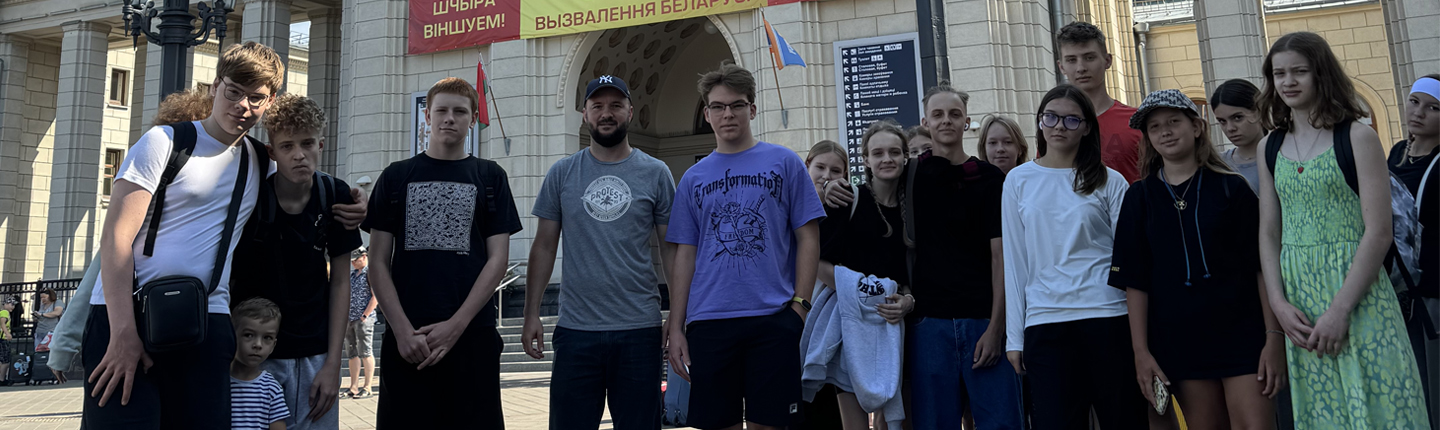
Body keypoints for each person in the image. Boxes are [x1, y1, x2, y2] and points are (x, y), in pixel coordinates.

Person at [83, 42, 282, 429]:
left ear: (270, 101)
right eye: (233, 92)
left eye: (256, 98)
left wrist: (353, 200)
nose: (242, 105)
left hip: (207, 321)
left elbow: (304, 189)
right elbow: (116, 239)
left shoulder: (261, 161)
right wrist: (122, 333)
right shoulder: (164, 141)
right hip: (128, 316)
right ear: (215, 86)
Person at [1256, 31, 1430, 429]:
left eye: (1300, 71)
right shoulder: (1270, 146)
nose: (1288, 82)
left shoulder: (1357, 136)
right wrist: (1279, 304)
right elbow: (1269, 233)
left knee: (1384, 410)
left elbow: (1379, 231)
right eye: (1279, 74)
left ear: (1321, 74)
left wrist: (1340, 310)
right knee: (1325, 414)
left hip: (1358, 294)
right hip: (1300, 301)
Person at [664, 62, 826, 430]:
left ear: (752, 109)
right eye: (718, 106)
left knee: (770, 424)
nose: (728, 114)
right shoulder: (692, 178)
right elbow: (685, 255)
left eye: (736, 105)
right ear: (707, 114)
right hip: (709, 322)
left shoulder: (785, 163)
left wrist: (800, 307)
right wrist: (676, 326)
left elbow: (808, 237)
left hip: (773, 318)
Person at [1111, 89, 1286, 430]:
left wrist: (1273, 337)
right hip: (1179, 340)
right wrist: (1141, 352)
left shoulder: (1232, 188)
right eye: (1155, 127)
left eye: (1174, 122)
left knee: (1255, 425)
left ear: (1196, 127)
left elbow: (1262, 268)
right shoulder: (1139, 197)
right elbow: (1135, 282)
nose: (1165, 132)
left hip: (1243, 334)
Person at [362, 77, 523, 429]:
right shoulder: (395, 177)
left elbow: (498, 260)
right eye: (442, 111)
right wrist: (401, 330)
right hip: (408, 339)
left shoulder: (491, 177)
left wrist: (456, 326)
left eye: (460, 112)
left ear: (473, 119)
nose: (450, 118)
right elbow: (377, 261)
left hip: (472, 336)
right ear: (427, 116)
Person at [522, 74, 677, 430]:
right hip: (576, 331)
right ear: (585, 114)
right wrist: (531, 313)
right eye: (598, 106)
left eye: (616, 106)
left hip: (640, 330)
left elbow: (672, 249)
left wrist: (678, 316)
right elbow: (544, 246)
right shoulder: (562, 173)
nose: (606, 113)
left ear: (631, 112)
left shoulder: (656, 173)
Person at [1002, 84, 1145, 430]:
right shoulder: (1018, 181)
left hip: (1107, 316)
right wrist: (1015, 337)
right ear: (1040, 122)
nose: (1059, 126)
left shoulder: (1110, 181)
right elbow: (1015, 263)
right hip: (1045, 322)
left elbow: (1130, 259)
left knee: (1124, 421)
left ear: (1086, 127)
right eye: (1050, 117)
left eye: (1071, 119)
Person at [229, 93, 363, 430]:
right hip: (257, 353)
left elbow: (341, 281)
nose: (299, 154)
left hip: (317, 353)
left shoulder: (335, 194)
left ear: (321, 145)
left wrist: (334, 364)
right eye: (287, 146)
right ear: (272, 152)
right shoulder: (251, 196)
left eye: (307, 144)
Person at [811, 120, 911, 430]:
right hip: (852, 326)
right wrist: (862, 294)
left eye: (894, 152)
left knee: (895, 421)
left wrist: (908, 300)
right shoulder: (848, 200)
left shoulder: (913, 207)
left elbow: (915, 269)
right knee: (854, 424)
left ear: (905, 157)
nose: (887, 159)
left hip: (897, 325)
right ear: (865, 159)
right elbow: (817, 260)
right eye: (877, 153)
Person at [1394, 74, 1440, 427]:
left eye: (1433, 107)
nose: (1419, 112)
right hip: (1398, 290)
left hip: (1433, 289)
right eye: (1414, 102)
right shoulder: (1397, 153)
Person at [1057, 21, 1144, 184]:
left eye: (1089, 58)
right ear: (1061, 67)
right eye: (1071, 60)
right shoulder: (1054, 127)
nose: (1081, 68)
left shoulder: (1136, 122)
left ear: (1107, 60)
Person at [800, 139, 849, 430]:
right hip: (794, 317)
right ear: (807, 166)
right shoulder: (789, 206)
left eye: (835, 171)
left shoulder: (847, 211)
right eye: (820, 167)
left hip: (831, 322)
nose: (826, 176)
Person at [230, 297, 290, 430]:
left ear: (273, 345)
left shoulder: (271, 389)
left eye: (267, 338)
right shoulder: (218, 383)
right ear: (232, 336)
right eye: (248, 335)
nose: (257, 345)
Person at [1213, 79, 1271, 192]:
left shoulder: (1283, 157)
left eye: (1237, 117)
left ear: (1259, 111)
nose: (1230, 128)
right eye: (1222, 121)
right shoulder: (1218, 165)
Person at [343, 247, 377, 399]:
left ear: (364, 257)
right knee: (352, 353)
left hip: (363, 318)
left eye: (355, 260)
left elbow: (375, 296)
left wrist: (365, 315)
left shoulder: (370, 273)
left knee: (365, 351)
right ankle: (353, 386)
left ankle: (367, 386)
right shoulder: (352, 275)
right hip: (350, 318)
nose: (353, 263)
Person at [1, 296, 14, 381]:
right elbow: (2, 323)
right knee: (5, 360)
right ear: (5, 304)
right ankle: (2, 379)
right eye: (11, 304)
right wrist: (7, 333)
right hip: (3, 338)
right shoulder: (5, 312)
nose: (13, 307)